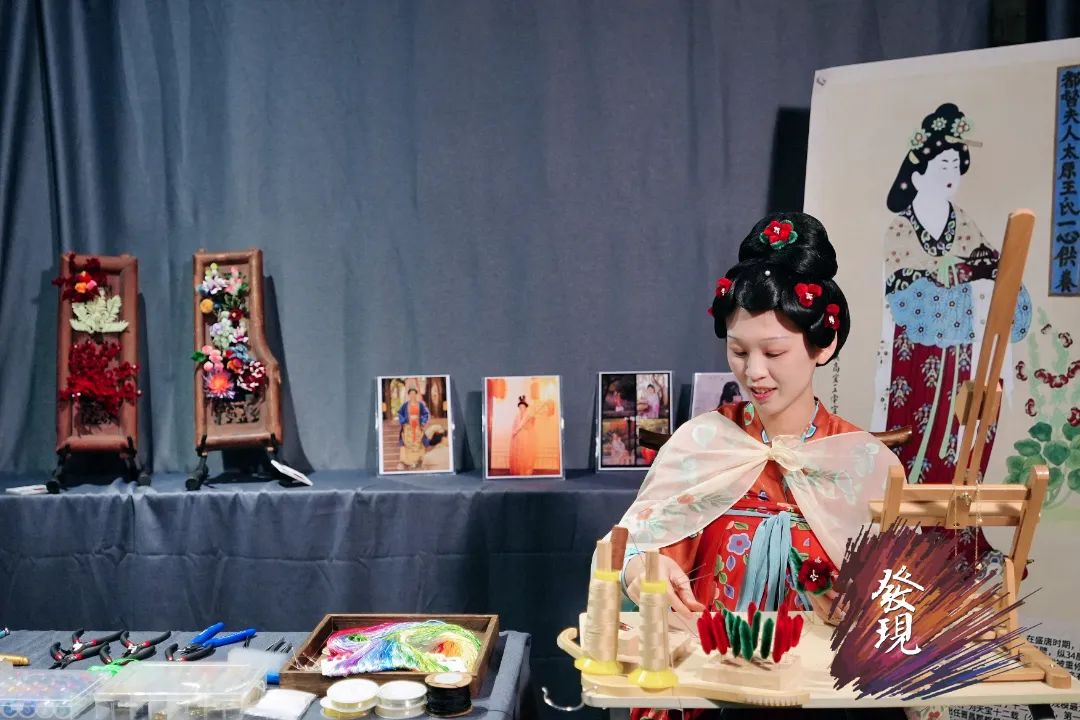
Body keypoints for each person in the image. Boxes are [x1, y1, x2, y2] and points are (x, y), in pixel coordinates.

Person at [616, 212, 909, 720]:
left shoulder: (863, 460)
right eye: (738, 351)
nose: (754, 372)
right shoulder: (703, 443)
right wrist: (643, 569)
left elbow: (902, 597)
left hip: (827, 695)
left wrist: (865, 602)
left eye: (774, 352)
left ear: (824, 345)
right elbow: (634, 543)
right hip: (712, 683)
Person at [396, 388, 430, 470]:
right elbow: (400, 413)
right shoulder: (405, 405)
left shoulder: (420, 405)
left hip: (418, 426)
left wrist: (422, 422)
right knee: (408, 443)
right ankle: (409, 462)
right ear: (409, 395)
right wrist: (404, 422)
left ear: (416, 395)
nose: (412, 395)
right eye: (411, 394)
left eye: (414, 393)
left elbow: (425, 414)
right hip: (408, 428)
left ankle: (419, 461)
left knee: (419, 442)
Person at [509, 395, 537, 475]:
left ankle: (525, 471)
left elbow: (530, 427)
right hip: (517, 438)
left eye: (523, 407)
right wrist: (514, 432)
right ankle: (518, 471)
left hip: (525, 438)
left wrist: (531, 421)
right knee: (518, 454)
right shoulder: (517, 416)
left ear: (526, 408)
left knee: (525, 454)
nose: (521, 409)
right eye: (520, 407)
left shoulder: (528, 416)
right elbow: (514, 426)